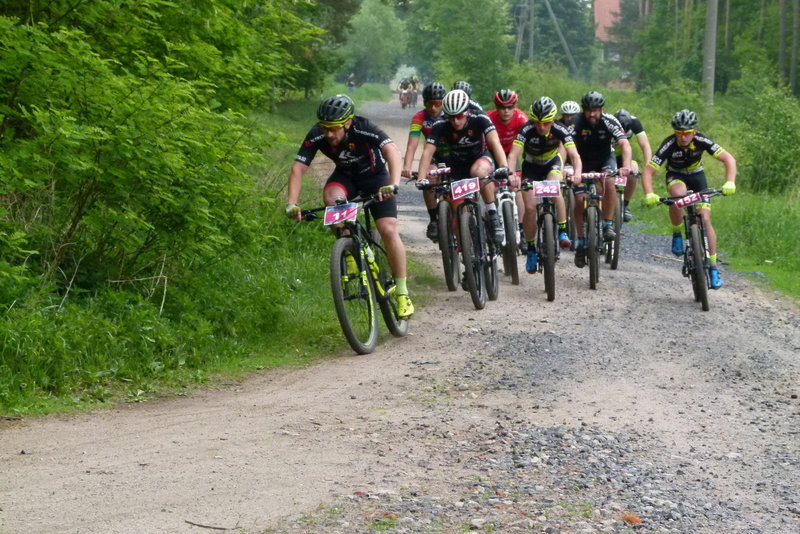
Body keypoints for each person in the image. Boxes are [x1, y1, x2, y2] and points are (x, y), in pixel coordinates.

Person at [285, 94, 414, 318]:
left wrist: (393, 185)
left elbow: (392, 151)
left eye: (333, 128)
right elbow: (298, 168)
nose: (328, 134)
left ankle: (402, 293)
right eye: (325, 128)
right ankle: (349, 249)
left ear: (347, 123)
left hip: (376, 179)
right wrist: (292, 204)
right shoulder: (317, 134)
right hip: (346, 178)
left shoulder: (363, 127)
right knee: (331, 197)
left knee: (388, 229)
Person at [641, 109, 736, 289]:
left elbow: (728, 159)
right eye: (679, 133)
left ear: (694, 131)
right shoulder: (668, 144)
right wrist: (649, 193)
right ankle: (677, 232)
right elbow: (648, 171)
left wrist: (730, 182)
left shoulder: (701, 139)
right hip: (676, 176)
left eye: (687, 133)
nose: (683, 137)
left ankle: (713, 268)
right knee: (679, 195)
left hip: (698, 176)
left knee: (706, 220)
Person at [416, 89, 514, 247]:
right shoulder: (440, 124)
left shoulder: (480, 118)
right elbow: (427, 152)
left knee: (480, 172)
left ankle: (493, 215)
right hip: (457, 165)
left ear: (467, 112)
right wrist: (421, 178)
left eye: (459, 116)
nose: (455, 121)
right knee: (458, 209)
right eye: (451, 117)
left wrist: (504, 167)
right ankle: (467, 251)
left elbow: (495, 143)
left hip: (480, 158)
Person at [507, 97, 583, 273]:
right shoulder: (526, 129)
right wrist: (512, 175)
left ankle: (563, 230)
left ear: (553, 120)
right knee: (530, 207)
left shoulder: (560, 128)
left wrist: (577, 173)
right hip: (531, 167)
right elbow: (512, 156)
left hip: (552, 164)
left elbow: (575, 155)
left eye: (546, 123)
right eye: (538, 123)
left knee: (555, 186)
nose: (541, 127)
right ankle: (532, 248)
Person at [570, 91, 631, 268]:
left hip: (605, 159)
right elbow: (564, 146)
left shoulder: (610, 121)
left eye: (595, 110)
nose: (592, 114)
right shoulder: (575, 122)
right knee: (579, 199)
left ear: (602, 110)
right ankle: (581, 240)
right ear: (583, 110)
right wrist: (563, 169)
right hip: (582, 162)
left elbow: (624, 144)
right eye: (588, 110)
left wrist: (625, 165)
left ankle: (608, 223)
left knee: (609, 181)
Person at [400, 82, 448, 241]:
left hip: (454, 154)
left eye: (437, 104)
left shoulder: (451, 114)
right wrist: (407, 166)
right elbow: (412, 145)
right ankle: (434, 219)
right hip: (434, 155)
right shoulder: (419, 117)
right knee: (428, 179)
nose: (433, 108)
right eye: (429, 103)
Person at [487, 89, 530, 250]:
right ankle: (491, 222)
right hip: (493, 155)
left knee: (516, 188)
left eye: (510, 107)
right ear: (496, 107)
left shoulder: (521, 118)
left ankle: (523, 230)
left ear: (515, 106)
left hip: (512, 154)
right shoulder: (489, 118)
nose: (506, 111)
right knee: (488, 184)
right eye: (502, 107)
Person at [613, 109, 653, 222]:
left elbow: (645, 146)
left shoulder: (635, 122)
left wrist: (648, 167)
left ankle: (625, 204)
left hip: (624, 155)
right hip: (608, 155)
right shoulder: (610, 122)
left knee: (634, 171)